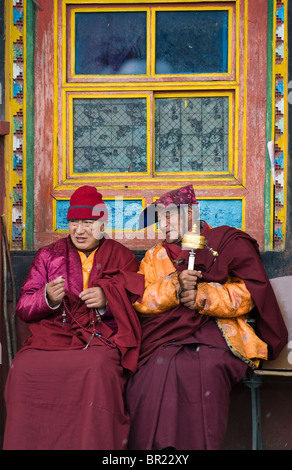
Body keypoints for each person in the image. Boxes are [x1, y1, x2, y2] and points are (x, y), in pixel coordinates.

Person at [126, 184, 288, 450]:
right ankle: (159, 447)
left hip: (217, 332)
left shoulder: (224, 243)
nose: (162, 225)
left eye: (169, 217)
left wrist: (203, 296)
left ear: (190, 213)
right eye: (159, 219)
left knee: (204, 368)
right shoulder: (154, 257)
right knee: (154, 370)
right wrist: (174, 288)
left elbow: (248, 294)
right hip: (165, 337)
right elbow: (141, 299)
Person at [3, 185, 144, 450]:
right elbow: (23, 306)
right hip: (54, 337)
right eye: (74, 223)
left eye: (88, 223)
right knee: (23, 369)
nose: (80, 231)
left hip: (99, 339)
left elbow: (137, 301)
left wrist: (107, 301)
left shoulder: (121, 256)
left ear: (102, 224)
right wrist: (48, 298)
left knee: (97, 370)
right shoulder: (49, 256)